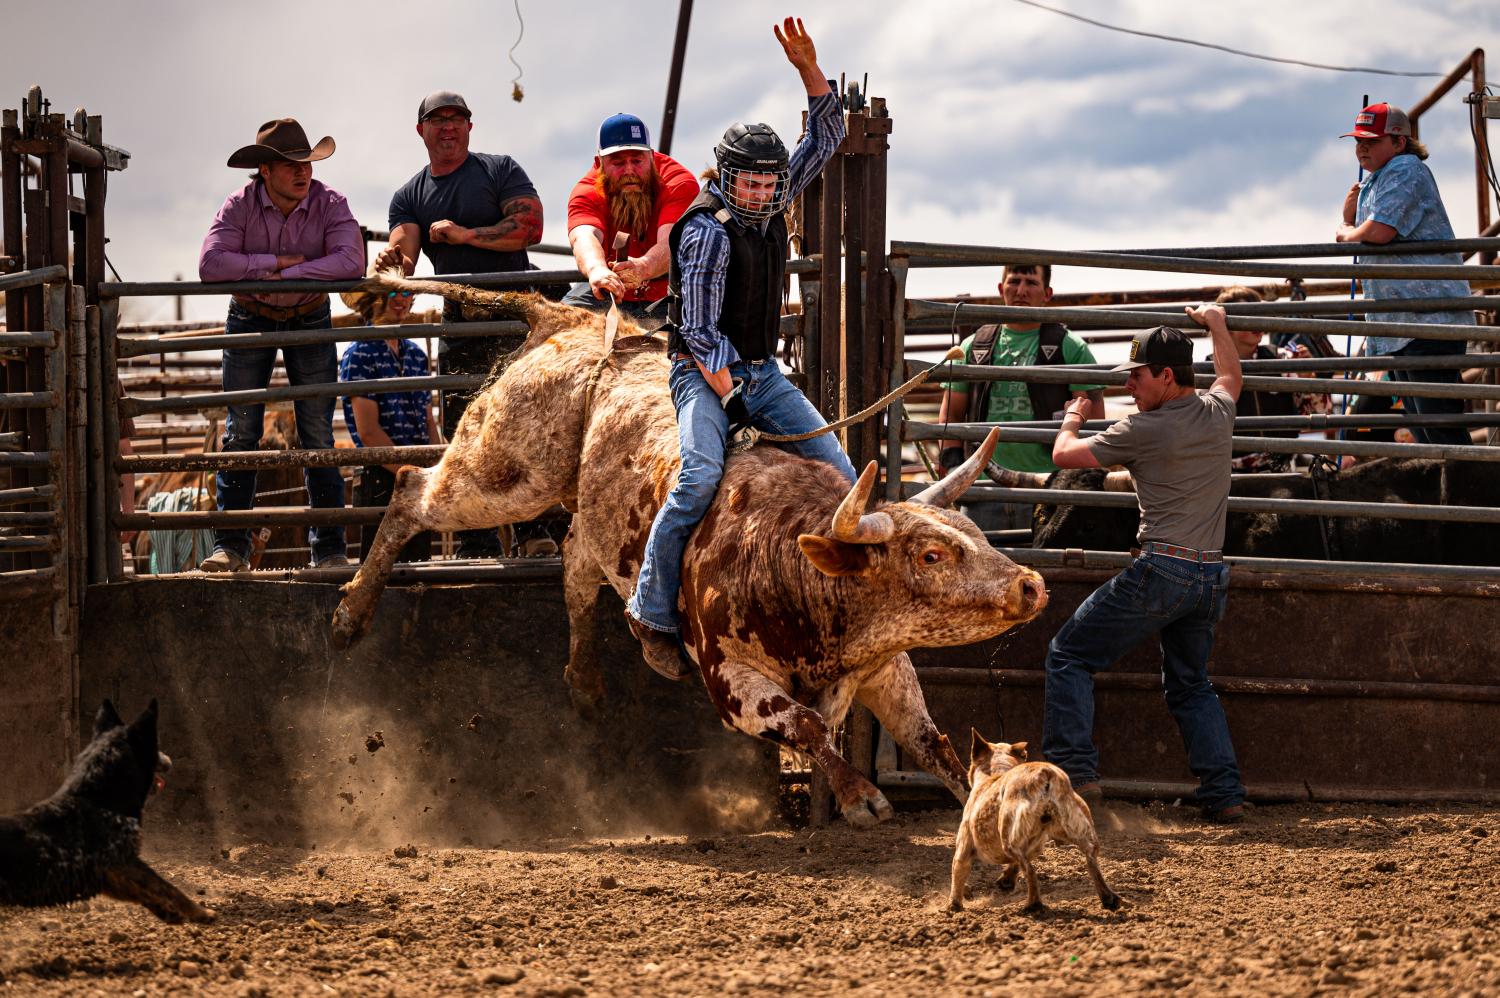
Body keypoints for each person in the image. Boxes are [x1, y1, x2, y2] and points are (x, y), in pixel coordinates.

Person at [625, 16, 851, 678]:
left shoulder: (777, 198)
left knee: (836, 469)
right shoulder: (708, 232)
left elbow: (827, 137)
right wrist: (733, 394)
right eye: (749, 182)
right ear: (726, 178)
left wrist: (810, 71)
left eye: (769, 182)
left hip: (760, 370)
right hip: (700, 373)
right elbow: (696, 331)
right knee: (698, 474)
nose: (760, 192)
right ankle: (651, 607)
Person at [1042, 306, 1247, 824]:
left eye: (1137, 375)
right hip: (1209, 575)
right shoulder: (1216, 411)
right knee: (1190, 685)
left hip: (1162, 571)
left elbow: (1064, 457)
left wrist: (1074, 415)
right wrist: (1217, 325)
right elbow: (1229, 375)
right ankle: (1224, 794)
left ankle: (1075, 776)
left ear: (1167, 376)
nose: (1130, 386)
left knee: (1068, 654)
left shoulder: (1140, 428)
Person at [197, 118, 363, 572]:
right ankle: (231, 547)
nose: (303, 172)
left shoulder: (330, 203)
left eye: (306, 163)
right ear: (265, 171)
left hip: (307, 312)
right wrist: (271, 261)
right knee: (242, 430)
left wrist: (284, 273)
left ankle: (329, 550)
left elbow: (352, 260)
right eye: (290, 165)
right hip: (252, 316)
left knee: (318, 432)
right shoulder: (239, 205)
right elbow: (210, 264)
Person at [386, 90, 544, 559]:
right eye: (438, 120)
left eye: (457, 118)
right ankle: (478, 544)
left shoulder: (499, 169)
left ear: (471, 127)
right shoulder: (410, 195)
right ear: (422, 131)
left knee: (531, 426)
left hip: (514, 313)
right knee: (464, 431)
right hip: (460, 320)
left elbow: (529, 226)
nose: (449, 127)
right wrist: (391, 262)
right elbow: (404, 258)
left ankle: (540, 534)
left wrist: (464, 235)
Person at [1334, 102, 1474, 446]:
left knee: (1438, 424)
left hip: (1426, 321)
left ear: (1399, 142)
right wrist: (1354, 223)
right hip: (1405, 324)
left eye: (1372, 140)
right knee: (1426, 426)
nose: (1362, 147)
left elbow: (1380, 231)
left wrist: (1345, 228)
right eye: (1358, 141)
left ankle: (1475, 495)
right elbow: (1373, 232)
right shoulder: (1379, 179)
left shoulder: (1404, 169)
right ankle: (1459, 494)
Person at [935, 264, 1104, 530]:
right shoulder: (974, 345)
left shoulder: (1069, 346)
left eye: (1031, 282)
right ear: (1001, 289)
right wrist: (954, 467)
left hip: (1048, 487)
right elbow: (951, 416)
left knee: (1047, 570)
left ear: (1047, 293)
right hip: (984, 489)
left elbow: (1093, 417)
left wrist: (1076, 481)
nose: (1021, 290)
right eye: (1014, 281)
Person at [339, 251, 441, 563]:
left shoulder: (415, 354)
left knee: (419, 566)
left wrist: (438, 464)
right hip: (380, 473)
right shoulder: (360, 354)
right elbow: (368, 432)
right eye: (392, 292)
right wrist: (413, 471)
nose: (401, 299)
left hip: (417, 471)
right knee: (380, 564)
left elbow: (428, 420)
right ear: (375, 299)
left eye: (407, 291)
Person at [563, 113, 700, 327]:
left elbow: (672, 242)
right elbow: (584, 236)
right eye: (617, 162)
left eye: (637, 161)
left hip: (669, 291)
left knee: (705, 328)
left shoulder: (678, 183)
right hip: (608, 293)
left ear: (652, 158)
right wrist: (597, 270)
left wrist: (644, 266)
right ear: (600, 163)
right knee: (558, 324)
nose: (629, 171)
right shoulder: (586, 191)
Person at [1212, 285, 1332, 472]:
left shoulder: (1283, 359)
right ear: (1226, 325)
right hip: (1228, 474)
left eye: (1259, 313)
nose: (1258, 321)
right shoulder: (1206, 370)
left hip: (1280, 467)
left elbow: (1321, 412)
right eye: (1248, 315)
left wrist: (1309, 378)